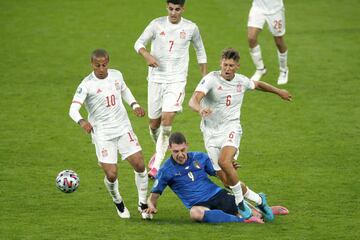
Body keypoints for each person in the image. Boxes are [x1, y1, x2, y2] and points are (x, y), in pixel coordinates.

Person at [188, 48, 292, 220]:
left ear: (237, 66)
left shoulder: (242, 81)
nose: (227, 68)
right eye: (224, 65)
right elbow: (193, 100)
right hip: (210, 133)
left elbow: (258, 85)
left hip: (231, 128)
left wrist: (279, 92)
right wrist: (200, 109)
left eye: (231, 65)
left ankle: (240, 202)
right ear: (221, 63)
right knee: (227, 181)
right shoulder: (211, 79)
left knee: (224, 161)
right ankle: (259, 200)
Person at [69, 49, 151, 219]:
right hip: (103, 134)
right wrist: (82, 122)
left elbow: (125, 90)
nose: (101, 68)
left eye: (104, 65)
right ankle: (118, 201)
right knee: (112, 174)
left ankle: (143, 204)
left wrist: (134, 105)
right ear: (92, 64)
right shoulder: (86, 85)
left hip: (123, 128)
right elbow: (73, 109)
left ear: (108, 63)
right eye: (97, 65)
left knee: (140, 165)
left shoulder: (116, 75)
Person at [134, 0, 208, 179]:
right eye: (171, 9)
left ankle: (157, 165)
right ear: (166, 7)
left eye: (177, 9)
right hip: (156, 80)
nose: (173, 12)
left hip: (176, 80)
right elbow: (138, 43)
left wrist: (205, 80)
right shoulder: (156, 24)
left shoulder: (191, 28)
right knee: (154, 124)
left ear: (183, 9)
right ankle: (158, 150)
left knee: (168, 118)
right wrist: (147, 55)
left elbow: (201, 52)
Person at [145, 132, 265, 223]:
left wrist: (229, 169)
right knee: (195, 213)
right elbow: (153, 197)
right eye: (176, 151)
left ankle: (263, 205)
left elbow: (221, 176)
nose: (180, 155)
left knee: (258, 215)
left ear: (187, 145)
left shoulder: (200, 157)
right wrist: (151, 206)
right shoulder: (166, 170)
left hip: (218, 195)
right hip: (199, 204)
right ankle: (240, 220)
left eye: (183, 150)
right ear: (169, 148)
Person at [247, 0, 289, 84]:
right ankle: (260, 69)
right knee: (251, 38)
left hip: (275, 10)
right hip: (257, 8)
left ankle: (283, 70)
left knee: (279, 41)